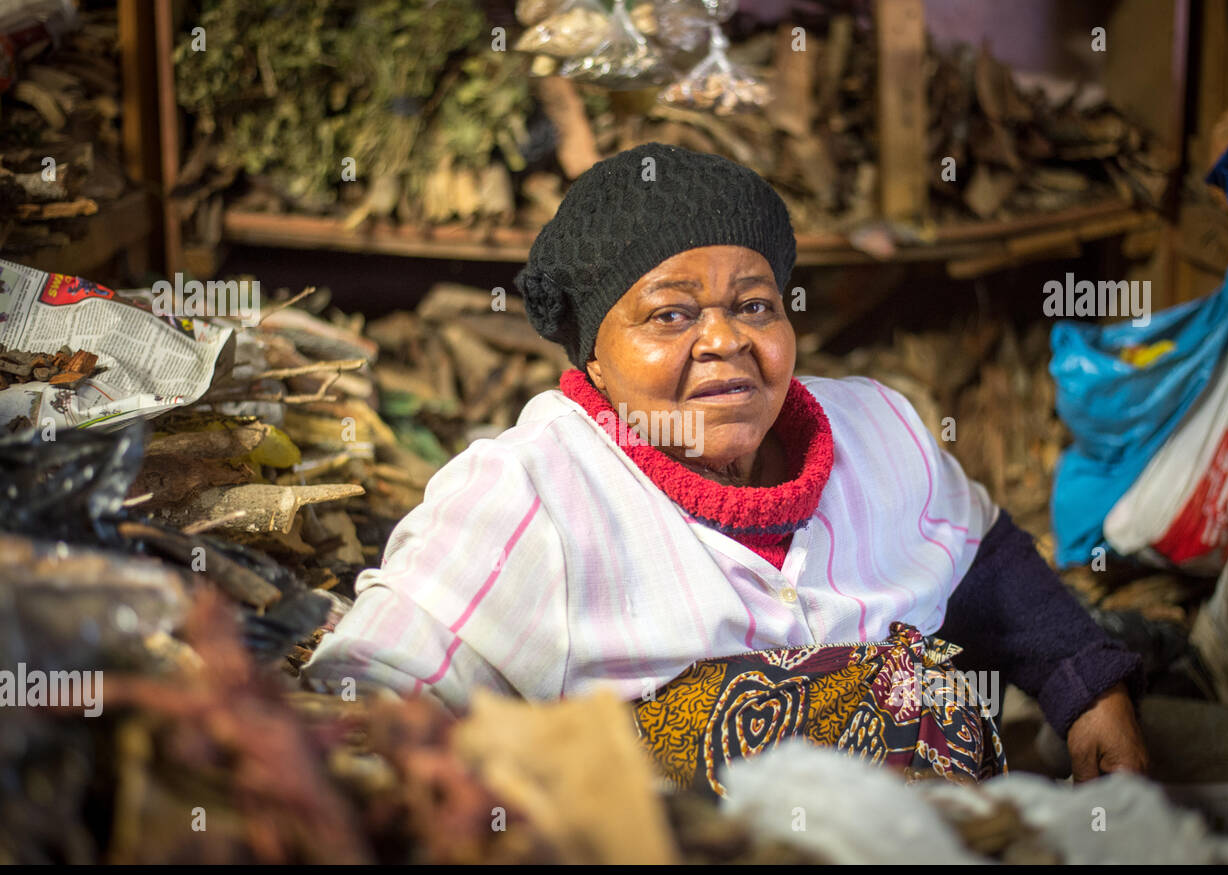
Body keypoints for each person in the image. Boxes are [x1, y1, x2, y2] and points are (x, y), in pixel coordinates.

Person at [303, 143, 1148, 791]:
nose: (724, 341)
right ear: (593, 358)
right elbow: (369, 689)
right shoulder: (528, 493)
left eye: (754, 304)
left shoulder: (878, 430)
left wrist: (1085, 685)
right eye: (669, 314)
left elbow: (981, 558)